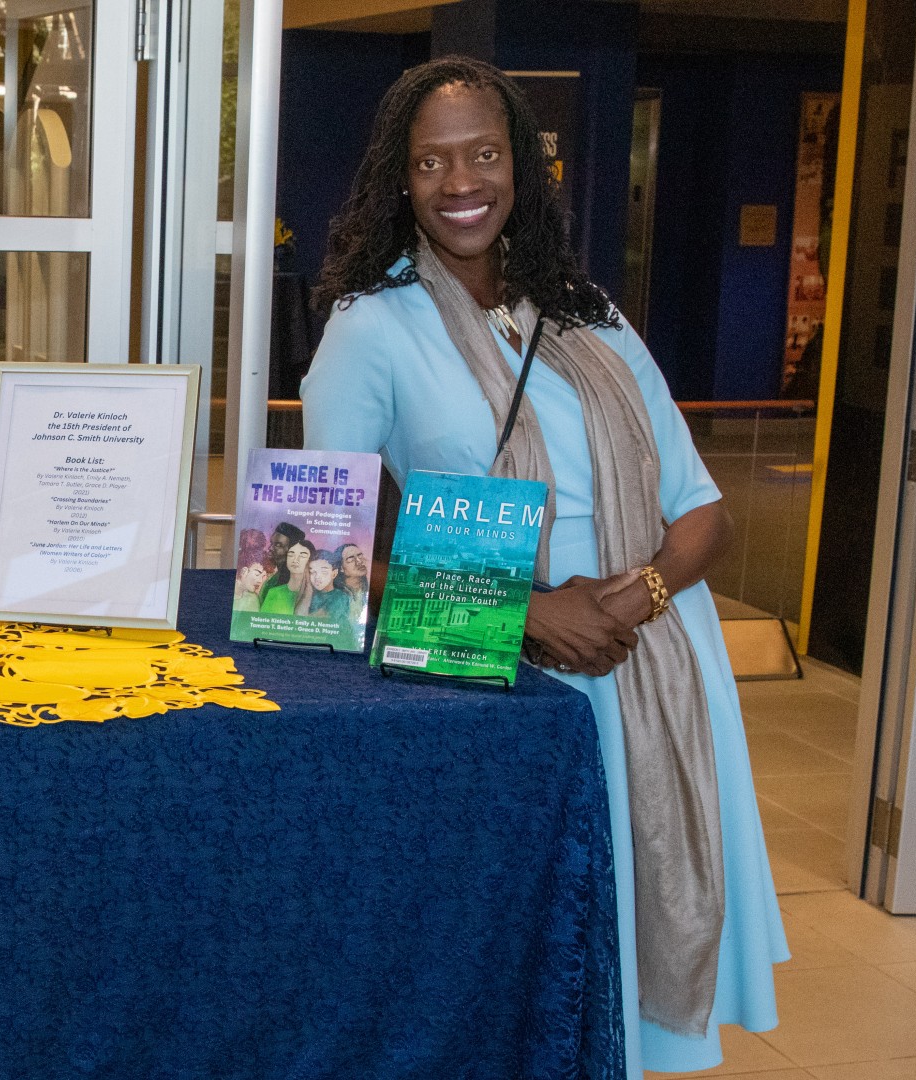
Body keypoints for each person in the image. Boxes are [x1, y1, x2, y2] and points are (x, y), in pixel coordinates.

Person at [299, 57, 783, 1076]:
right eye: (430, 162)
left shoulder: (588, 313)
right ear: (400, 177)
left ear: (523, 164)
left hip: (655, 662)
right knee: (537, 954)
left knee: (641, 931)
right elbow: (303, 552)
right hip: (508, 678)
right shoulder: (370, 325)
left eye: (483, 154)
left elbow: (700, 511)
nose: (459, 183)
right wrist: (528, 613)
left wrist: (640, 595)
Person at [257, 539, 314, 615]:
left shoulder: (315, 596)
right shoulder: (274, 593)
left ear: (310, 561)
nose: (295, 560)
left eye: (302, 556)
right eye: (291, 555)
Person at [296, 549, 350, 621]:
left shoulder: (341, 597)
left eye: (324, 572)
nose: (317, 577)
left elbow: (321, 620)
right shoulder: (307, 594)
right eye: (312, 572)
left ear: (334, 573)